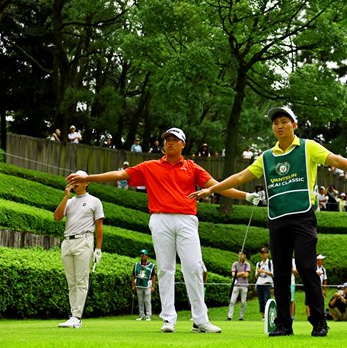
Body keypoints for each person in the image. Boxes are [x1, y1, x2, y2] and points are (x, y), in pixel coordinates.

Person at [189, 106, 347, 337]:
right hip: (277, 219)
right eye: (275, 123)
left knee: (306, 267)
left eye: (284, 121)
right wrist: (211, 189)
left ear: (294, 124)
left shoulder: (307, 147)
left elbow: (335, 159)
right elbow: (241, 177)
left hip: (303, 218)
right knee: (281, 273)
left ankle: (319, 321)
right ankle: (283, 324)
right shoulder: (267, 157)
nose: (279, 126)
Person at [65, 127, 259, 334]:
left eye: (174, 139)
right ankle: (168, 319)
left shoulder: (192, 167)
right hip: (160, 219)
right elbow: (121, 174)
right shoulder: (150, 166)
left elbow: (217, 186)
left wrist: (245, 196)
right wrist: (88, 179)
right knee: (166, 269)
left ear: (183, 144)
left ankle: (200, 320)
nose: (169, 142)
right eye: (166, 139)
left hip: (187, 219)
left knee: (193, 267)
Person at [54, 170, 104, 329]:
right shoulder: (69, 201)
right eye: (73, 179)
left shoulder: (95, 201)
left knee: (81, 280)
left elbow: (99, 226)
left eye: (78, 179)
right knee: (71, 282)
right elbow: (57, 217)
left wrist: (98, 248)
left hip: (84, 240)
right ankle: (73, 315)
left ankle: (76, 316)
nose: (75, 182)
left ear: (86, 182)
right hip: (68, 241)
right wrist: (66, 196)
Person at [132, 249, 156, 321]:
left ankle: (148, 315)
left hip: (147, 285)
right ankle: (141, 315)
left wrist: (153, 286)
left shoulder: (151, 265)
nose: (142, 256)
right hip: (139, 284)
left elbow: (153, 276)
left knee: (147, 301)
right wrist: (133, 285)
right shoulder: (137, 265)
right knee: (140, 301)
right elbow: (133, 275)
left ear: (147, 256)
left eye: (144, 254)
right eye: (141, 254)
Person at [227, 250, 251, 321]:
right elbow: (233, 275)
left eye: (242, 254)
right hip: (236, 285)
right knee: (232, 301)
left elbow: (246, 275)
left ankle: (241, 317)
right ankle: (229, 317)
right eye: (239, 254)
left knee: (243, 302)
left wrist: (239, 274)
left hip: (244, 285)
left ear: (245, 255)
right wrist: (242, 273)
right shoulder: (235, 264)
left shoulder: (247, 264)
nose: (240, 256)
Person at [255, 247, 274, 320]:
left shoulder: (270, 263)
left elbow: (273, 273)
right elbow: (256, 275)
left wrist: (264, 272)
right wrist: (259, 272)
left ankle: (267, 316)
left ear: (267, 254)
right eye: (262, 253)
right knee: (261, 301)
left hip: (267, 283)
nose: (263, 255)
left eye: (265, 253)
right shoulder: (259, 264)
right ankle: (263, 316)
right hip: (259, 283)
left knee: (267, 300)